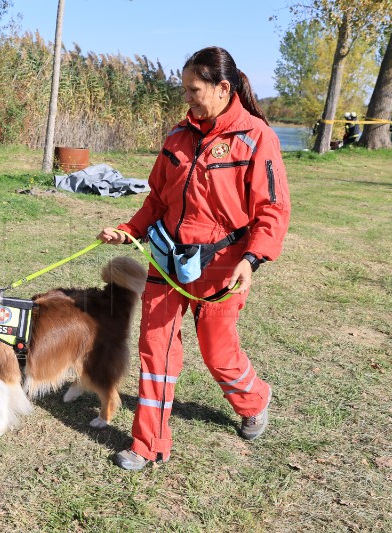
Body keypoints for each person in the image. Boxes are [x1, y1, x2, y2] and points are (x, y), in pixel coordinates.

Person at [97, 46, 291, 470]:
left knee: (218, 354)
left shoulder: (256, 137)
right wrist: (128, 230)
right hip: (167, 262)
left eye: (194, 89)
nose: (187, 98)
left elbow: (272, 210)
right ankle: (148, 444)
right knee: (156, 349)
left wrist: (252, 259)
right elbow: (157, 200)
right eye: (184, 89)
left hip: (222, 266)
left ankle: (254, 399)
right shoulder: (176, 137)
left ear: (223, 88)